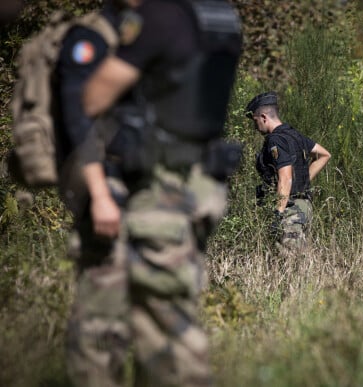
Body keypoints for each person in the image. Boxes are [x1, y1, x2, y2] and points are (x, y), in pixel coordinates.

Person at [66, 0, 242, 386]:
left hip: (157, 193)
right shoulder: (222, 18)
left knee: (160, 331)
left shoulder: (160, 17)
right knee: (168, 311)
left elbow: (92, 98)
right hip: (200, 190)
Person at [247, 91, 331, 253]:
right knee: (296, 258)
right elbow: (324, 155)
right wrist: (301, 182)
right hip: (303, 207)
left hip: (289, 210)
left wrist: (278, 213)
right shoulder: (295, 135)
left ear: (264, 117)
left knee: (291, 261)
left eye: (255, 121)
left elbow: (285, 177)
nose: (255, 127)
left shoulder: (275, 139)